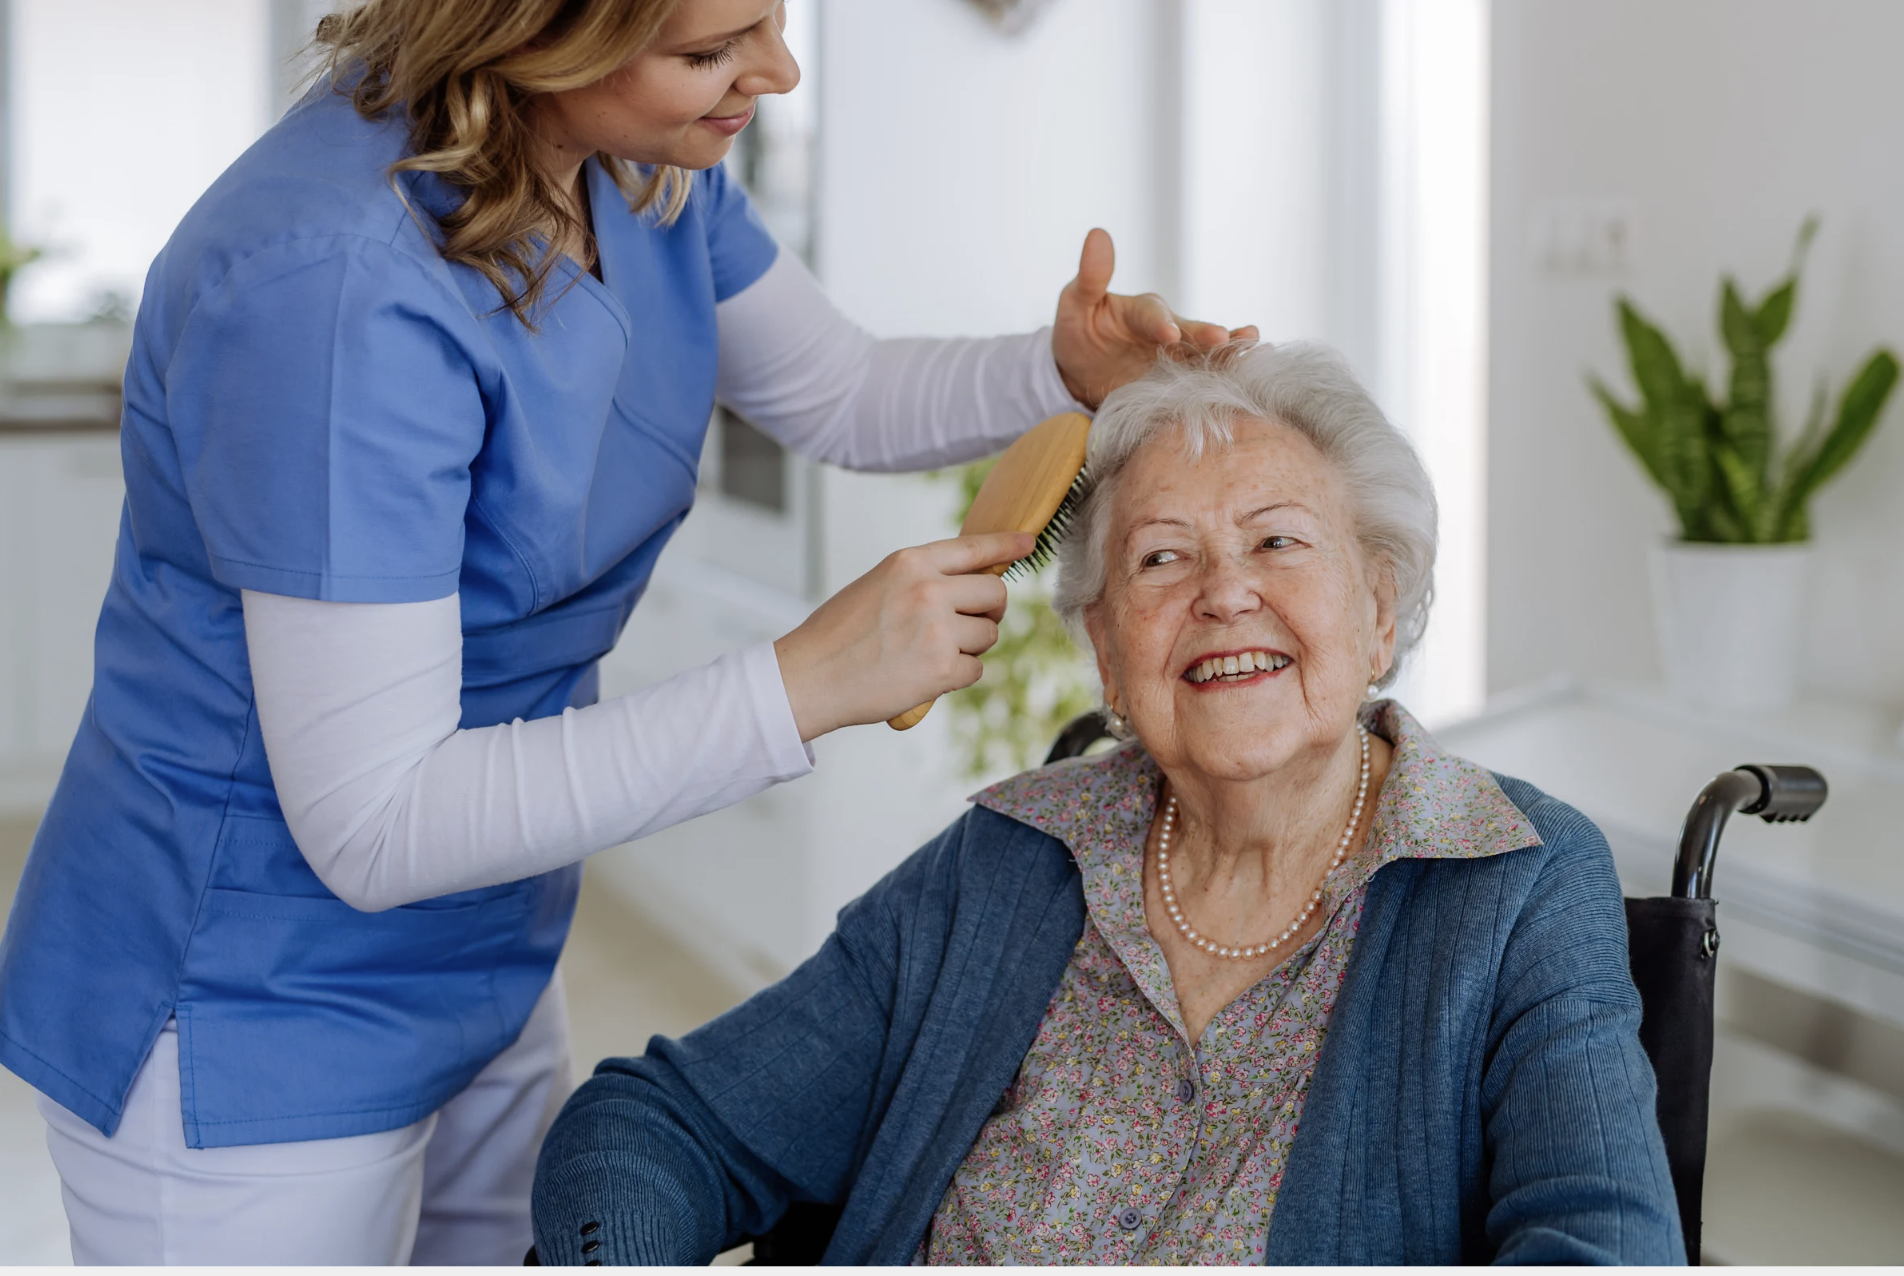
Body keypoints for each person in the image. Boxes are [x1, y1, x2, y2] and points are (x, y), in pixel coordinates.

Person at [0, 0, 1252, 1264]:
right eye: (712, 50)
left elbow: (839, 389)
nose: (777, 69)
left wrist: (1055, 367)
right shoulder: (329, 284)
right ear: (535, 38)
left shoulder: (634, 168)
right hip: (242, 1005)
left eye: (772, 13)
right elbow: (374, 825)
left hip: (482, 940)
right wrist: (802, 682)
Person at [530, 342, 1684, 1266]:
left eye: (1278, 541)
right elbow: (661, 1123)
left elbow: (1604, 1240)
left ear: (1379, 609)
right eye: (1160, 560)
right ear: (1104, 652)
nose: (1225, 592)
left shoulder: (1515, 880)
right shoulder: (1007, 861)